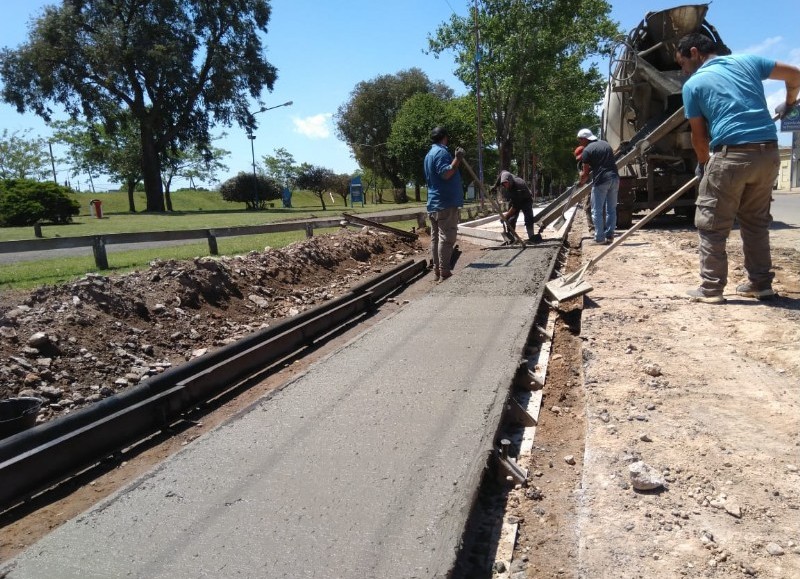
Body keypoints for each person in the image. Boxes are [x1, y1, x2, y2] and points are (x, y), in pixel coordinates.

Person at [676, 32, 800, 303]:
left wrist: (703, 165)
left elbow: (699, 138)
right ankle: (761, 284)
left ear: (694, 52)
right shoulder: (748, 62)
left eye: (682, 63)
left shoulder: (694, 84)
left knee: (712, 224)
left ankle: (711, 289)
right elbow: (795, 75)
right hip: (768, 153)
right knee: (755, 223)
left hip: (731, 154)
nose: (683, 70)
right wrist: (790, 104)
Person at [424, 126, 464, 281]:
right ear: (444, 137)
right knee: (447, 238)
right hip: (445, 202)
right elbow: (446, 173)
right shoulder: (441, 152)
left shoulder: (429, 154)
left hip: (434, 202)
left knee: (436, 239)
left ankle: (437, 271)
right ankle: (444, 272)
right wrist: (457, 159)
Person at [577, 128, 619, 244]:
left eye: (580, 140)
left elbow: (585, 174)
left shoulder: (586, 151)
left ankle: (599, 238)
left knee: (597, 210)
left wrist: (580, 182)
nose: (579, 143)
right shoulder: (605, 144)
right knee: (611, 209)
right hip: (615, 178)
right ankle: (610, 236)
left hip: (601, 180)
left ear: (585, 139)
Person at [498, 170, 536, 242]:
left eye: (506, 183)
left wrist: (505, 217)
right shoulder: (505, 176)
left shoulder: (519, 185)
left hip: (526, 199)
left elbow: (515, 207)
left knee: (528, 217)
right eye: (503, 184)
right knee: (511, 219)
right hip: (515, 199)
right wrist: (495, 186)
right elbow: (502, 172)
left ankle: (531, 237)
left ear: (510, 180)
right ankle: (511, 237)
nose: (505, 185)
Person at [574, 145, 593, 230]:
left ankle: (600, 227)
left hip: (598, 184)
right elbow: (582, 177)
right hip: (589, 187)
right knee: (588, 207)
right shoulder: (579, 165)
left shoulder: (594, 160)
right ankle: (592, 227)